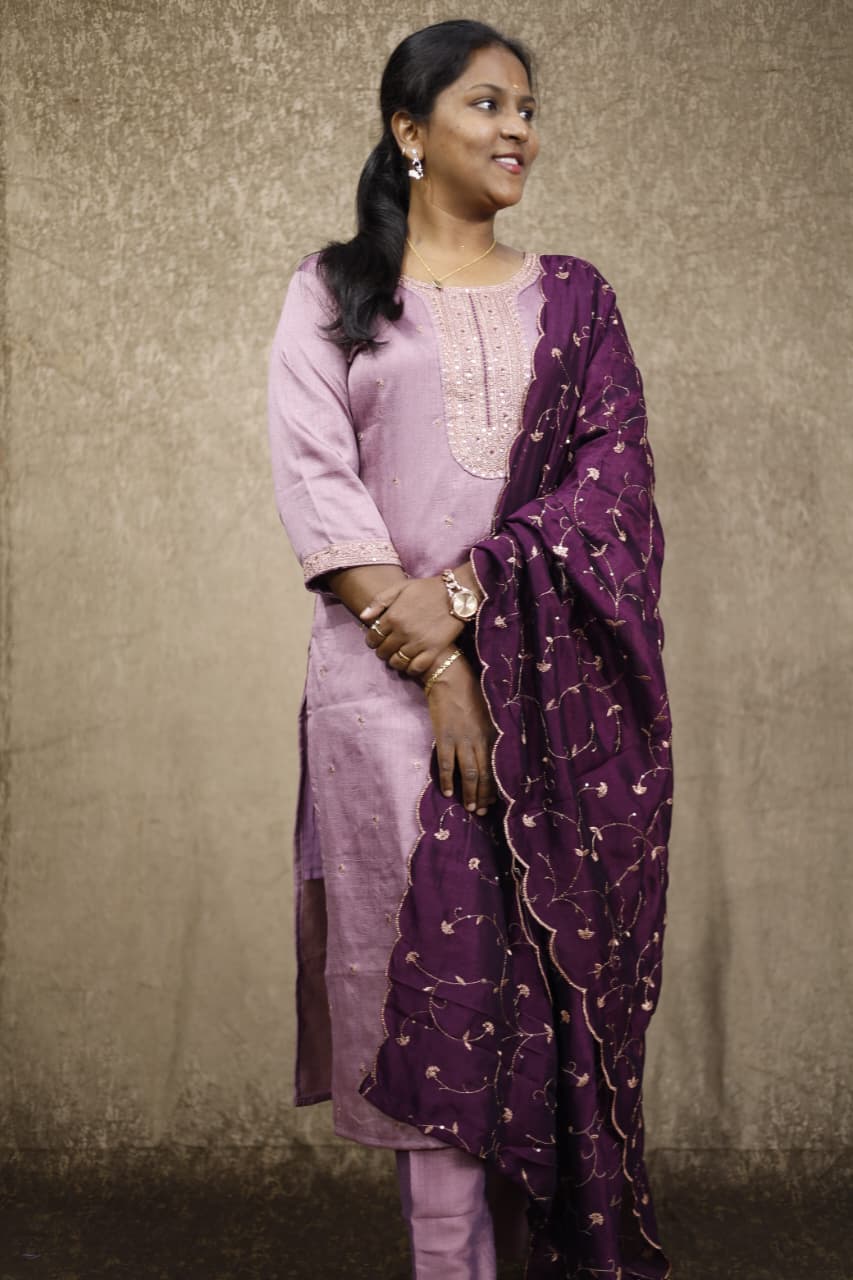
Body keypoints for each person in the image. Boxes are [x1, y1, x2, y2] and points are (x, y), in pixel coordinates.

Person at [267, 19, 673, 1280]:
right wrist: (442, 666)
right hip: (386, 702)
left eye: (527, 109)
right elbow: (318, 488)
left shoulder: (576, 299)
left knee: (539, 1013)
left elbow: (612, 489)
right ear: (410, 130)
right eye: (488, 104)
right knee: (440, 1016)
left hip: (555, 708)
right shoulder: (332, 292)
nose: (517, 131)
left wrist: (470, 593)